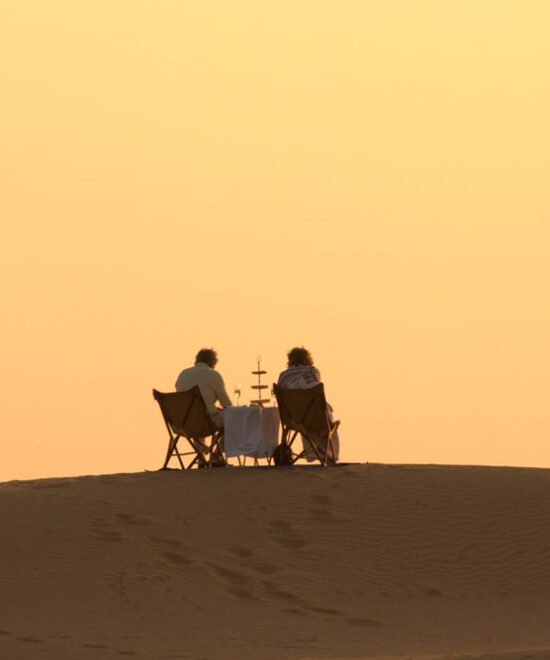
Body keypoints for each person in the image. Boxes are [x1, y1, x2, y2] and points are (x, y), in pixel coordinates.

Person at [277, 346, 340, 463]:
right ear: (308, 359)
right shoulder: (313, 372)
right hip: (316, 418)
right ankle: (329, 455)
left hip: (292, 419)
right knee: (324, 417)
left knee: (309, 416)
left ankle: (313, 452)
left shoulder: (284, 377)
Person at [175, 348, 232, 429]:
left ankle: (200, 442)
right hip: (204, 422)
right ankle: (225, 442)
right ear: (212, 362)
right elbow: (227, 405)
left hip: (181, 422)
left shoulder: (183, 374)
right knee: (233, 418)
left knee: (200, 415)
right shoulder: (213, 375)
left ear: (197, 360)